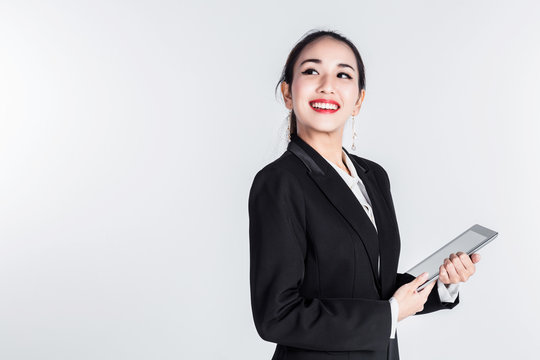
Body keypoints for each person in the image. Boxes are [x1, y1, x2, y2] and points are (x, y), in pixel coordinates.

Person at [248, 29, 481, 360]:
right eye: (311, 71)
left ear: (358, 100)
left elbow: (373, 286)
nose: (327, 84)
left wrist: (443, 284)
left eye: (343, 74)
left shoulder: (373, 176)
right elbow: (277, 315)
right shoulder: (279, 182)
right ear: (288, 93)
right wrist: (390, 314)